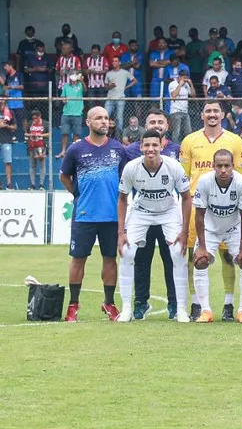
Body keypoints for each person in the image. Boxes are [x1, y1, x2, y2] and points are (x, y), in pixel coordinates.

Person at [180, 100, 242, 321]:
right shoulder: (190, 140)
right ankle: (196, 305)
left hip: (228, 210)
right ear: (202, 115)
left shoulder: (235, 141)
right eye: (208, 111)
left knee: (229, 257)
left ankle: (229, 305)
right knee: (196, 258)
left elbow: (241, 176)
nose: (211, 114)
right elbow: (184, 178)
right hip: (198, 209)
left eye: (215, 111)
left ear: (222, 114)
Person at [115, 130, 191, 323]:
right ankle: (126, 309)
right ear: (141, 147)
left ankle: (181, 309)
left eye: (154, 145)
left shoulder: (173, 166)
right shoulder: (131, 167)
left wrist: (184, 231)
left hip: (168, 212)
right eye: (146, 145)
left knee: (177, 253)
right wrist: (121, 232)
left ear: (161, 146)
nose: (150, 149)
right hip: (141, 212)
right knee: (127, 252)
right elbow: (123, 199)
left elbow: (186, 197)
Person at [58, 107, 126, 321]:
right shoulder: (76, 149)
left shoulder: (118, 149)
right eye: (98, 118)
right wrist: (78, 194)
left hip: (111, 216)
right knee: (78, 259)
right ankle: (73, 305)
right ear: (88, 122)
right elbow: (64, 176)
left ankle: (109, 303)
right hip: (84, 215)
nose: (103, 121)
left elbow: (125, 180)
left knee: (110, 259)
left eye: (106, 118)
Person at [124, 109, 182, 320]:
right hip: (143, 213)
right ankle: (140, 303)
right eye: (152, 122)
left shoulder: (177, 149)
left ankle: (175, 304)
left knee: (171, 258)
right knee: (141, 258)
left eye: (160, 122)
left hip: (168, 212)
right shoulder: (130, 151)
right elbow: (126, 182)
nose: (156, 125)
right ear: (145, 127)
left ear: (167, 125)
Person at [190, 150, 242, 323]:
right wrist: (202, 247)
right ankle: (206, 311)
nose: (223, 170)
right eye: (219, 166)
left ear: (233, 166)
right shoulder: (204, 182)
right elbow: (199, 215)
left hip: (234, 229)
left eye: (227, 166)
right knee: (200, 260)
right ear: (213, 166)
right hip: (210, 230)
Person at [57, 72, 85, 158]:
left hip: (77, 113)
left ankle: (74, 152)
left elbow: (85, 89)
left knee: (76, 134)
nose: (73, 81)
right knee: (64, 133)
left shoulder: (80, 85)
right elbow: (62, 96)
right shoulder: (66, 86)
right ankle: (63, 151)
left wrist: (82, 81)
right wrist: (63, 100)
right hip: (66, 113)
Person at [103, 56, 135, 132]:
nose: (114, 62)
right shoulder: (109, 73)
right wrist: (110, 86)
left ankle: (119, 134)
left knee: (119, 117)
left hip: (120, 98)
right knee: (105, 115)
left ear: (120, 63)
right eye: (113, 61)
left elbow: (134, 81)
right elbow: (105, 86)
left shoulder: (125, 72)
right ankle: (105, 132)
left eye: (116, 61)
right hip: (110, 97)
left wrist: (126, 87)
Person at [167, 69, 194, 142]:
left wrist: (191, 84)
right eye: (184, 78)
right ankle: (175, 147)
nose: (185, 80)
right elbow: (173, 95)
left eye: (186, 78)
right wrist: (180, 85)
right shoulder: (172, 84)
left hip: (185, 111)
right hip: (176, 111)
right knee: (176, 132)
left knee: (189, 132)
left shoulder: (186, 85)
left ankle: (188, 146)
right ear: (179, 77)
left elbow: (193, 95)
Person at [26, 110, 48, 190]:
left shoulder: (45, 123)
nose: (34, 119)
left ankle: (41, 184)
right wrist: (31, 135)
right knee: (32, 165)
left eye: (36, 118)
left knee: (42, 165)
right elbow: (26, 133)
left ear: (40, 116)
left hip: (42, 146)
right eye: (33, 118)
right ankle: (32, 184)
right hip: (31, 146)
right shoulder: (30, 123)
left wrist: (40, 134)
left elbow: (49, 134)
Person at [0, 100, 14, 189]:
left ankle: (9, 184)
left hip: (6, 140)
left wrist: (6, 126)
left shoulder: (10, 112)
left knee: (8, 162)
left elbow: (15, 127)